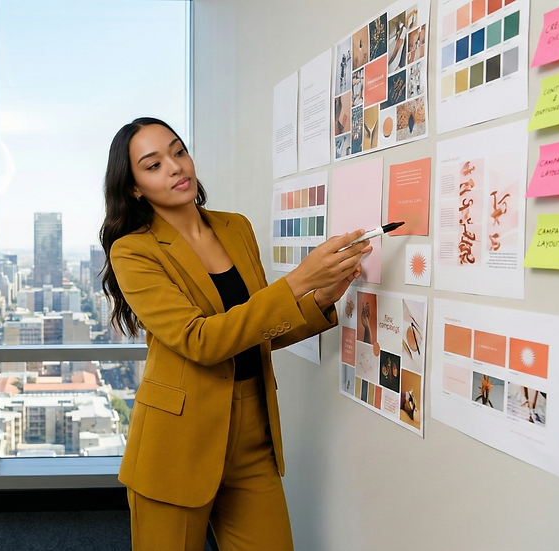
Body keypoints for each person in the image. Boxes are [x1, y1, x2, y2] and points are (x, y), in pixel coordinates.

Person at [99, 117, 371, 550]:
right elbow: (200, 340)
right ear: (133, 187)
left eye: (178, 151)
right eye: (153, 165)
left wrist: (319, 299)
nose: (174, 166)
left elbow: (256, 329)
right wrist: (299, 281)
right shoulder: (132, 250)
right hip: (177, 442)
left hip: (252, 433)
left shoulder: (235, 228)